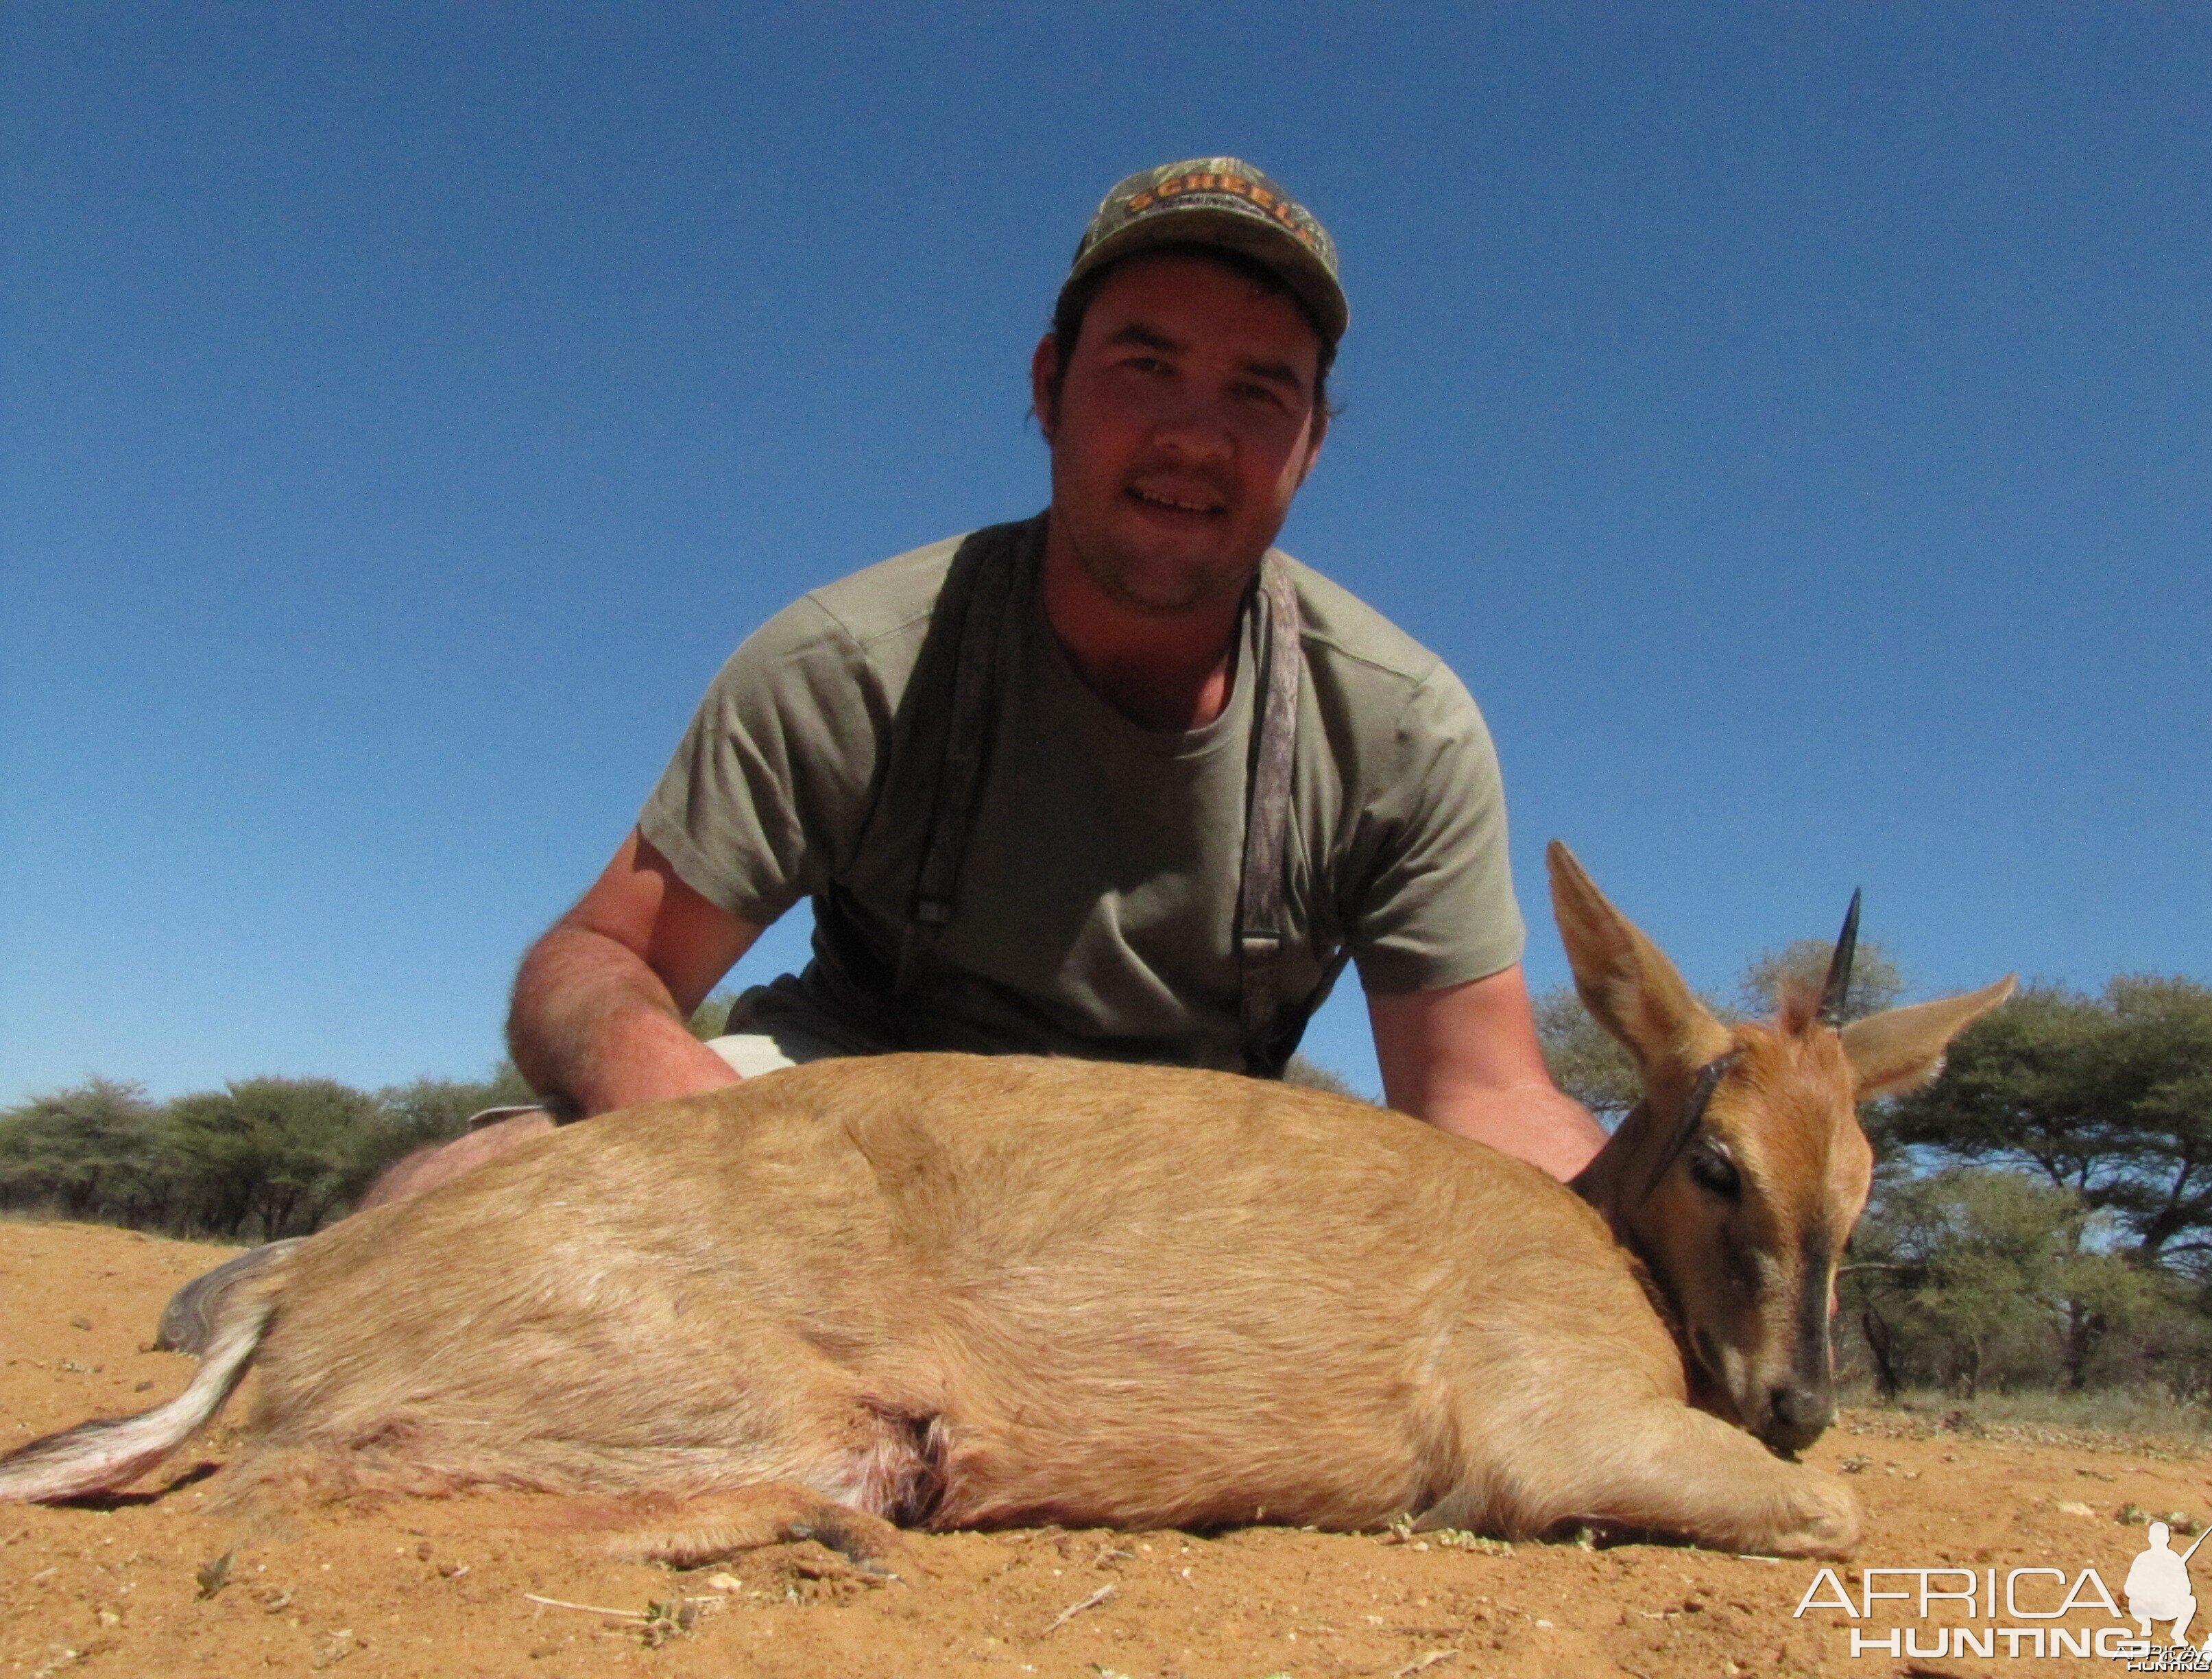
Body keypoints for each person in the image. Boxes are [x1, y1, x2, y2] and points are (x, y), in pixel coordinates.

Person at [158, 157, 1602, 1351]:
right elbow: (595, 965)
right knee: (490, 1183)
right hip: (847, 1126)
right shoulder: (855, 657)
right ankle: (313, 1292)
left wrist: (1687, 1190)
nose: (1191, 434)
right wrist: (705, 1139)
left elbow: (1475, 1100)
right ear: (1048, 386)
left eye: (1257, 394)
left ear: (1311, 447)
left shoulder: (1406, 727)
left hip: (1192, 1176)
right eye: (1144, 365)